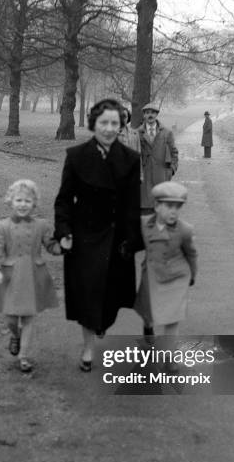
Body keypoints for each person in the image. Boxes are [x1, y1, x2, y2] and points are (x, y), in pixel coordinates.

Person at [54, 98, 141, 372]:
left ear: (121, 125)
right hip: (85, 236)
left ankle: (103, 322)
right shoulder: (76, 156)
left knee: (111, 298)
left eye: (115, 123)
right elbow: (64, 200)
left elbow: (132, 204)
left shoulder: (130, 159)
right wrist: (64, 231)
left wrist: (132, 240)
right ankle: (88, 348)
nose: (109, 128)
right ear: (94, 124)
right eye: (104, 122)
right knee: (87, 295)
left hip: (117, 238)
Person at [0, 179, 61, 373]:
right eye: (18, 200)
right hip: (10, 278)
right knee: (11, 319)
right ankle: (15, 336)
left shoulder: (42, 225)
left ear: (34, 203)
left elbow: (51, 245)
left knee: (28, 318)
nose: (22, 204)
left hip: (33, 277)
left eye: (27, 201)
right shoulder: (1, 226)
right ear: (10, 201)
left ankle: (24, 356)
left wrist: (62, 246)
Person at [134, 181, 197, 370]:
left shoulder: (185, 230)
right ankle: (147, 328)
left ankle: (170, 358)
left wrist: (193, 275)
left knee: (171, 319)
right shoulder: (144, 224)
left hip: (176, 277)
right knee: (148, 311)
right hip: (151, 275)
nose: (174, 212)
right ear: (156, 206)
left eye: (177, 207)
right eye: (169, 206)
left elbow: (191, 254)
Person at [137, 102, 179, 214]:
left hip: (162, 175)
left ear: (156, 115)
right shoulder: (137, 133)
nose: (150, 115)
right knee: (145, 209)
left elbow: (174, 153)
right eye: (147, 113)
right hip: (145, 176)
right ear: (144, 116)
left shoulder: (167, 133)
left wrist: (171, 170)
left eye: (152, 113)